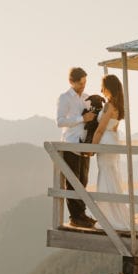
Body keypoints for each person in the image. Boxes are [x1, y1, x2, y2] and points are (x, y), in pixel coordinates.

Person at [56, 67, 97, 228]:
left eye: (85, 82)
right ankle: (75, 217)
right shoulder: (64, 98)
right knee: (73, 182)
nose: (83, 86)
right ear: (71, 82)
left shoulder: (87, 98)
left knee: (83, 180)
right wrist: (82, 118)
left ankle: (82, 214)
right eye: (80, 83)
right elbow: (59, 121)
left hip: (84, 143)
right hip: (71, 143)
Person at [91, 74, 132, 231]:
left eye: (103, 86)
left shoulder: (109, 106)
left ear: (109, 87)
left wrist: (92, 149)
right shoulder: (118, 105)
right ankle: (112, 213)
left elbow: (100, 129)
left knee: (106, 174)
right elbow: (113, 127)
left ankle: (108, 216)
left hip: (105, 141)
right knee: (111, 174)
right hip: (113, 139)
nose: (102, 90)